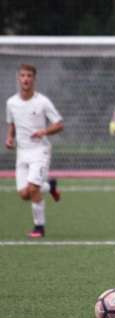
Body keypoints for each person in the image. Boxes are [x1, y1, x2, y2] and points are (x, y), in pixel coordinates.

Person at [4, 64, 63, 238]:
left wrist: (44, 131)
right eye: (22, 76)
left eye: (29, 76)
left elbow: (59, 124)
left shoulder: (42, 102)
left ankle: (39, 227)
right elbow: (13, 123)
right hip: (22, 153)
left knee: (33, 189)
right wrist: (9, 138)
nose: (26, 79)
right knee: (24, 194)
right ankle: (50, 185)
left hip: (40, 151)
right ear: (18, 78)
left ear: (34, 79)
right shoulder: (11, 103)